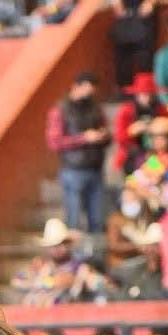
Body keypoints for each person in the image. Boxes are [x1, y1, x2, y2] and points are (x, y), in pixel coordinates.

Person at [45, 71, 110, 235]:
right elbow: (54, 142)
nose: (88, 94)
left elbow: (106, 131)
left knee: (97, 220)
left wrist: (102, 136)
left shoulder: (95, 108)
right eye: (86, 89)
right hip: (73, 169)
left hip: (95, 167)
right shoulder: (61, 110)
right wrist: (83, 138)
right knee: (74, 221)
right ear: (76, 87)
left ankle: (96, 250)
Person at [113, 71, 168, 172]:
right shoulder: (126, 110)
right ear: (136, 94)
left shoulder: (161, 109)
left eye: (150, 94)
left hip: (156, 154)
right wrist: (131, 131)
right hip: (132, 156)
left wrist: (158, 128)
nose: (147, 97)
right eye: (143, 94)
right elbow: (119, 137)